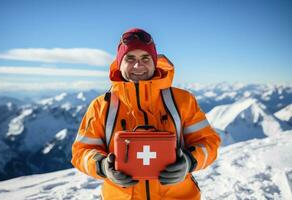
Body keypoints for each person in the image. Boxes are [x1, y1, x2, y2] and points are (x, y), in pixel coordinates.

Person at [71, 28, 221, 200]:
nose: (138, 65)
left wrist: (189, 161)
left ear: (154, 61)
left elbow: (209, 143)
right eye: (130, 58)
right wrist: (103, 166)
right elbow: (81, 152)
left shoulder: (182, 101)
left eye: (145, 58)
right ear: (119, 63)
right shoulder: (101, 106)